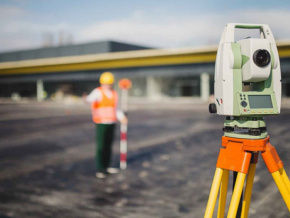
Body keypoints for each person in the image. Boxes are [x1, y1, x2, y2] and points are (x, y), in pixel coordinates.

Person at [85, 72, 127, 179]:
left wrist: (122, 117)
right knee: (101, 146)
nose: (108, 85)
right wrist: (86, 99)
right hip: (101, 123)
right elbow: (88, 100)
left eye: (109, 83)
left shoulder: (114, 94)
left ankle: (107, 166)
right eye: (106, 83)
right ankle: (100, 168)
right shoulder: (97, 92)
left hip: (111, 122)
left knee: (108, 145)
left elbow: (116, 108)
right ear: (102, 83)